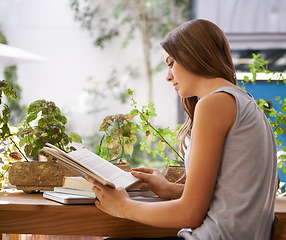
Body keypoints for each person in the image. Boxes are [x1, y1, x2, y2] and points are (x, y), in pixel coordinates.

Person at [86, 19, 277, 240]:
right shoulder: (245, 103)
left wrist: (123, 206)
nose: (168, 76)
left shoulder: (214, 104)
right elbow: (234, 198)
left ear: (192, 55)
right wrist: (170, 189)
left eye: (171, 62)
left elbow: (190, 214)